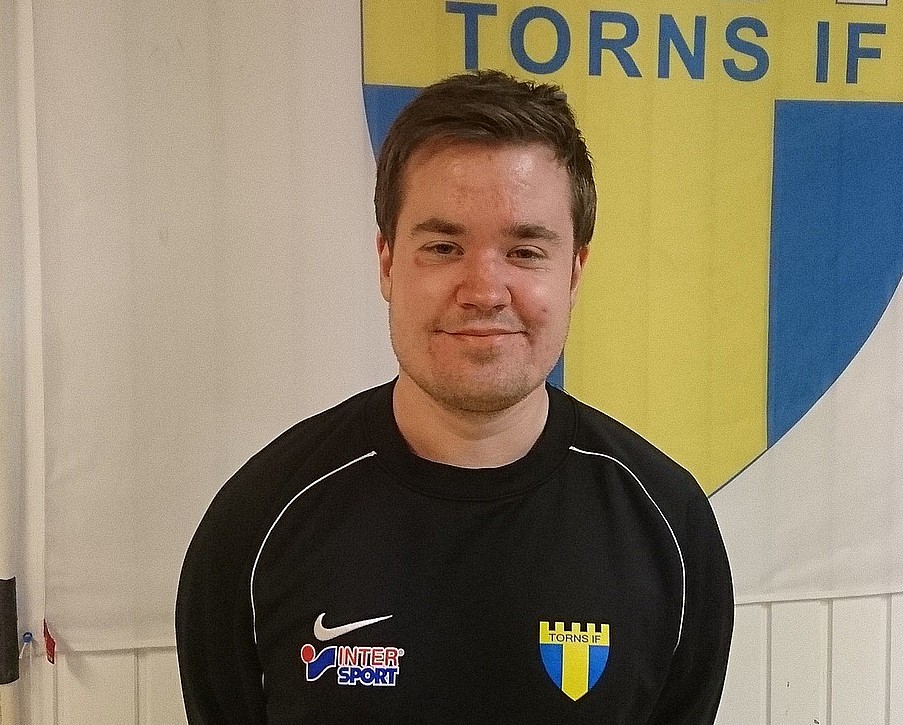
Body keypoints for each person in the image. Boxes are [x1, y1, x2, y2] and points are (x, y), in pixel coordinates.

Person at [176, 70, 733, 724]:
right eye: (443, 247)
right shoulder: (258, 523)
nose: (485, 291)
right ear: (387, 262)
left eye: (525, 251)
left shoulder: (669, 527)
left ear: (574, 272)